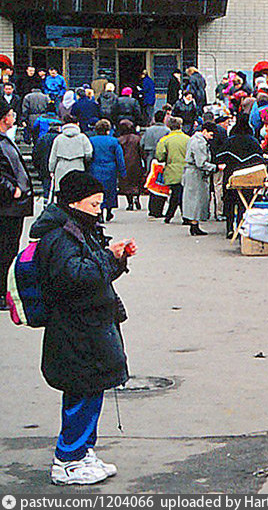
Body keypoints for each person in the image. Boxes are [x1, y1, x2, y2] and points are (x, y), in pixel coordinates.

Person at [32, 170, 136, 486]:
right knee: (82, 392)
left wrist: (115, 259)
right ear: (75, 202)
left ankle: (82, 451)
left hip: (87, 326)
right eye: (93, 205)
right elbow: (74, 278)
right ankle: (68, 459)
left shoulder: (77, 229)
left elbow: (91, 272)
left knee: (90, 391)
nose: (98, 211)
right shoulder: (60, 237)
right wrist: (108, 256)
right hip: (76, 329)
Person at [0, 97, 34, 311]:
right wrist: (12, 190)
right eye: (11, 114)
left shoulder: (5, 139)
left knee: (9, 250)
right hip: (7, 207)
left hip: (13, 208)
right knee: (5, 251)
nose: (14, 117)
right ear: (4, 118)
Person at [216, 114, 265, 239]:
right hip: (248, 176)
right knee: (244, 202)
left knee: (230, 202)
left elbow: (220, 157)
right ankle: (241, 226)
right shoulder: (253, 141)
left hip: (231, 175)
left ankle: (229, 228)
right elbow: (260, 158)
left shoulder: (230, 141)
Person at [182, 122, 218, 236]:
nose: (211, 138)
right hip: (195, 173)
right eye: (210, 135)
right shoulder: (200, 143)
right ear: (205, 131)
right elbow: (201, 162)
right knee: (195, 199)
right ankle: (194, 225)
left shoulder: (194, 139)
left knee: (193, 199)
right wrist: (215, 167)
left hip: (191, 172)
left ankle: (194, 224)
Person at [87, 120, 124, 223]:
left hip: (95, 168)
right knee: (110, 191)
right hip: (110, 169)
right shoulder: (113, 141)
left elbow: (88, 155)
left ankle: (99, 213)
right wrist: (122, 171)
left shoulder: (91, 140)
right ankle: (109, 211)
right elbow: (119, 157)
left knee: (97, 191)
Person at [48, 118, 93, 200]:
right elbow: (89, 153)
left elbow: (53, 157)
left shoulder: (59, 138)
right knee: (77, 192)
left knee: (61, 192)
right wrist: (85, 162)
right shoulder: (83, 137)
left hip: (61, 166)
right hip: (78, 165)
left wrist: (51, 169)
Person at [155, 117, 188, 224]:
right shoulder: (188, 139)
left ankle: (170, 215)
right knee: (182, 194)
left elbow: (160, 156)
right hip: (186, 170)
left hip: (172, 170)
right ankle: (185, 216)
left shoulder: (165, 140)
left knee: (175, 193)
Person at [140, 110, 170, 218]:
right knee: (161, 183)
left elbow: (142, 143)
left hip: (150, 157)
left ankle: (152, 208)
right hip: (162, 159)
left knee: (151, 182)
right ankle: (158, 209)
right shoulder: (167, 130)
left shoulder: (148, 130)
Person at [116, 120, 145, 211]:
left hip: (124, 164)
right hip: (136, 163)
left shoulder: (119, 140)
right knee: (136, 182)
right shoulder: (137, 139)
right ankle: (137, 197)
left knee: (126, 184)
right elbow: (142, 152)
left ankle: (130, 203)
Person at [34, 118, 62, 201]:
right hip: (59, 166)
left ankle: (46, 204)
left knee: (46, 187)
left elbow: (36, 154)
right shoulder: (60, 138)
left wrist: (38, 166)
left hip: (44, 165)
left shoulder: (42, 138)